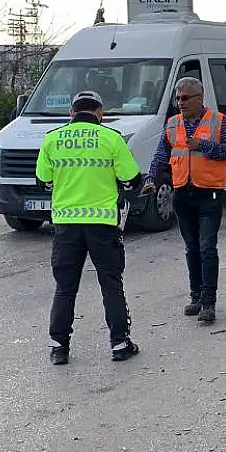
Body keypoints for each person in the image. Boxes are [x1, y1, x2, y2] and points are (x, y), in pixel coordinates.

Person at [35, 91, 142, 366]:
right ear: (100, 112)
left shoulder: (53, 139)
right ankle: (120, 343)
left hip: (66, 225)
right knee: (111, 284)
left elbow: (42, 181)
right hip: (102, 224)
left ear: (71, 113)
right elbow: (132, 179)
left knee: (65, 287)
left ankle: (59, 347)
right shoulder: (111, 138)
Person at [142, 76, 226, 324]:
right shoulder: (173, 124)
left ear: (199, 98)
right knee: (191, 248)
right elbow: (160, 155)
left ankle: (209, 302)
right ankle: (196, 296)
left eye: (185, 98)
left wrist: (205, 146)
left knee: (207, 247)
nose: (180, 103)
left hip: (210, 193)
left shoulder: (219, 121)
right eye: (178, 98)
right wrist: (151, 178)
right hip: (183, 194)